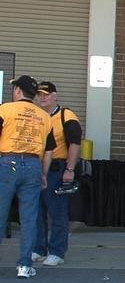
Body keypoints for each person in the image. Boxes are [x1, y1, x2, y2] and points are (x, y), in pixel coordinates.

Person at [0, 75, 55, 278]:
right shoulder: (44, 117)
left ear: (17, 91)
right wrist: (43, 174)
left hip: (7, 163)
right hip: (33, 165)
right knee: (29, 217)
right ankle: (24, 265)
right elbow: (49, 151)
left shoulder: (4, 110)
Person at [33, 80, 82, 266]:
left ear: (55, 96)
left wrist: (70, 169)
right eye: (39, 94)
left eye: (46, 94)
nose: (42, 98)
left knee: (57, 211)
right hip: (36, 168)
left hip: (57, 168)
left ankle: (57, 251)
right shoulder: (36, 115)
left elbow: (75, 144)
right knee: (36, 211)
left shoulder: (66, 116)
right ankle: (39, 248)